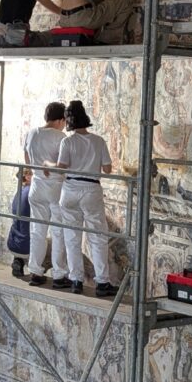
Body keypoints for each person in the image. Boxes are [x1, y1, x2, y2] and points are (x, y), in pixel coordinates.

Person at [56, 100, 115, 296]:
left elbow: (61, 167)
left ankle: (76, 280)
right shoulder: (98, 141)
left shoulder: (67, 142)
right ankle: (102, 282)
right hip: (91, 189)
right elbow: (107, 169)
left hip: (70, 189)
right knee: (97, 237)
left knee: (72, 237)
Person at [24, 102, 69, 288]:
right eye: (64, 122)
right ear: (60, 120)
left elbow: (27, 159)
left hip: (36, 185)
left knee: (37, 231)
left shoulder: (32, 133)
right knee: (58, 231)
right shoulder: (61, 137)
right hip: (56, 186)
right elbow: (64, 165)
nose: (64, 125)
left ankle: (35, 271)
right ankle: (59, 275)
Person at [7, 169, 32, 277]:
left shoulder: (19, 192)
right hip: (26, 246)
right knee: (53, 241)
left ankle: (18, 261)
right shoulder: (31, 193)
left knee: (23, 228)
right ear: (27, 176)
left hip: (12, 242)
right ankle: (37, 273)